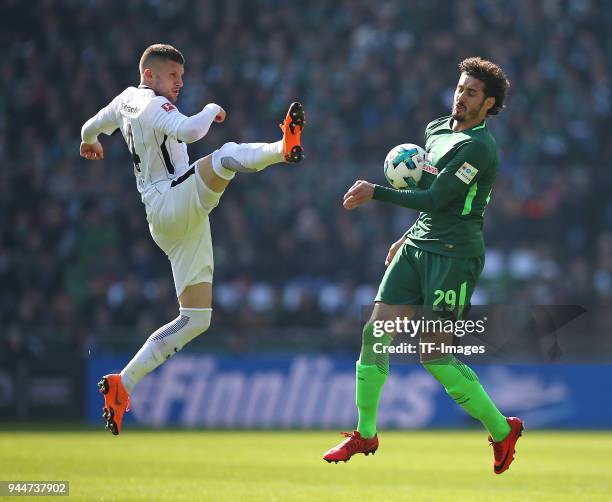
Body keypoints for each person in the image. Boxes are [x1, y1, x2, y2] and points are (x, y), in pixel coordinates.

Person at [79, 44, 305, 435]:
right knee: (225, 156)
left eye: (182, 77)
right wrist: (211, 108)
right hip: (171, 199)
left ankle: (123, 384)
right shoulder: (148, 103)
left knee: (196, 319)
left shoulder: (122, 103)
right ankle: (281, 147)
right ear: (149, 75)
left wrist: (91, 142)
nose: (179, 84)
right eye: (172, 76)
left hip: (171, 218)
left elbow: (89, 127)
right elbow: (192, 130)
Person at [323, 57, 522, 474]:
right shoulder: (435, 130)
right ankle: (365, 432)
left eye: (471, 93)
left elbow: (437, 199)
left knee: (434, 356)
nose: (461, 97)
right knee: (375, 333)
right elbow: (428, 198)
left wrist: (375, 192)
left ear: (488, 105)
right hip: (418, 245)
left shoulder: (479, 149)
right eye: (460, 88)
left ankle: (502, 430)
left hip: (456, 255)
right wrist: (404, 236)